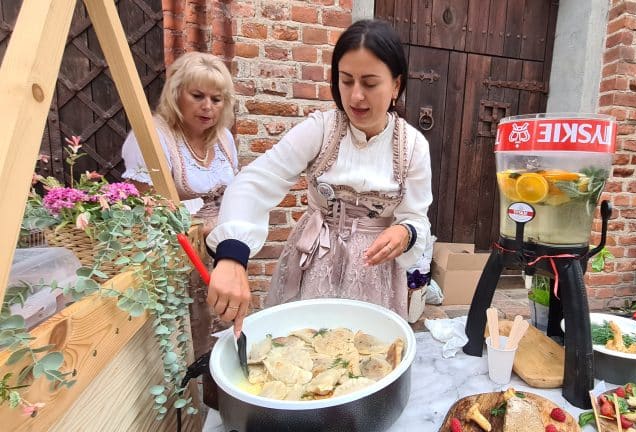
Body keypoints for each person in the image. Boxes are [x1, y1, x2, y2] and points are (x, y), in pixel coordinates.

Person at [205, 19, 433, 335]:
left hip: (374, 273)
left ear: (396, 85)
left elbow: (417, 218)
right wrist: (231, 254)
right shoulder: (322, 130)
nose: (355, 97)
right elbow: (256, 181)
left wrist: (405, 232)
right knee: (302, 350)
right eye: (346, 80)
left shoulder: (412, 147)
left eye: (369, 83)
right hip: (313, 262)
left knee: (364, 358)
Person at [121, 51, 238, 231]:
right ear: (175, 93)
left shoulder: (223, 138)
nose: (207, 106)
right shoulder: (151, 137)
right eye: (197, 96)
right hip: (170, 249)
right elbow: (148, 212)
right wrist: (211, 228)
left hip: (221, 244)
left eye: (216, 99)